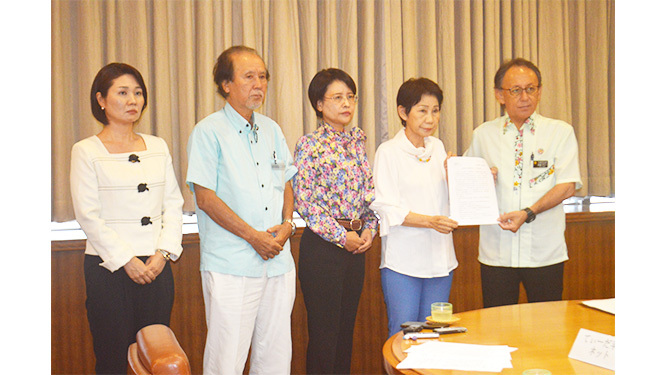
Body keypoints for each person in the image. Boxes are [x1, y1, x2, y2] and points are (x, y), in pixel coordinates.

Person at [186, 46, 297, 375]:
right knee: (227, 360)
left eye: (262, 76)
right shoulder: (208, 132)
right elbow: (205, 198)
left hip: (279, 261)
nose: (258, 84)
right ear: (226, 84)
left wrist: (288, 223)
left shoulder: (272, 130)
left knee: (276, 356)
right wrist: (253, 237)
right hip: (231, 264)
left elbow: (285, 182)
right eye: (249, 76)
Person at [70, 62, 184, 374]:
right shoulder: (85, 150)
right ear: (101, 100)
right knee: (113, 358)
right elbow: (88, 215)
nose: (133, 100)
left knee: (156, 356)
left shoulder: (157, 146)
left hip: (156, 268)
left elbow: (173, 204)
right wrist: (127, 260)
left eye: (137, 93)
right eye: (122, 93)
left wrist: (163, 253)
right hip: (109, 268)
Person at [464, 58, 582, 308]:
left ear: (539, 91)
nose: (525, 97)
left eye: (531, 88)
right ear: (500, 95)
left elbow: (567, 185)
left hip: (544, 253)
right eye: (516, 90)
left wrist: (528, 212)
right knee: (497, 329)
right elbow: (465, 183)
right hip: (497, 253)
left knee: (547, 330)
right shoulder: (483, 134)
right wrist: (464, 173)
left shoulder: (560, 132)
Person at [293, 68, 378, 375]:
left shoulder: (357, 141)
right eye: (337, 97)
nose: (346, 103)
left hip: (356, 249)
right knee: (324, 336)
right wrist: (342, 237)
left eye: (350, 97)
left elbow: (369, 194)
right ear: (319, 104)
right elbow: (306, 203)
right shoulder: (310, 145)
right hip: (324, 250)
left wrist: (370, 227)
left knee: (345, 333)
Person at [370, 78, 459, 337]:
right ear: (403, 112)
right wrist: (430, 221)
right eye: (422, 110)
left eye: (435, 110)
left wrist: (458, 177)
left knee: (435, 334)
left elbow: (448, 201)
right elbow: (386, 207)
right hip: (403, 262)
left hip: (441, 260)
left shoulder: (439, 148)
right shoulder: (388, 152)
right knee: (403, 335)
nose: (430, 118)